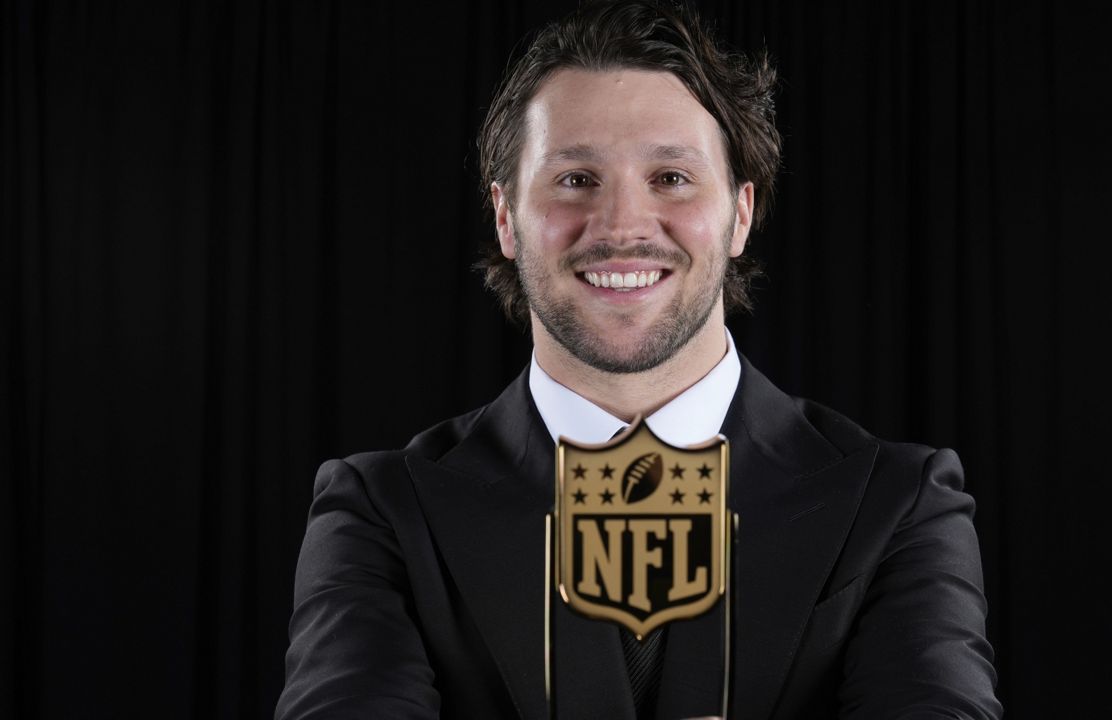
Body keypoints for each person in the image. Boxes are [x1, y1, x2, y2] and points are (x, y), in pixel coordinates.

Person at [275, 2, 1001, 718]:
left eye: (671, 178)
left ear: (741, 214)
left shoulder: (899, 505)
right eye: (575, 179)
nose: (622, 226)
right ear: (505, 218)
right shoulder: (380, 514)